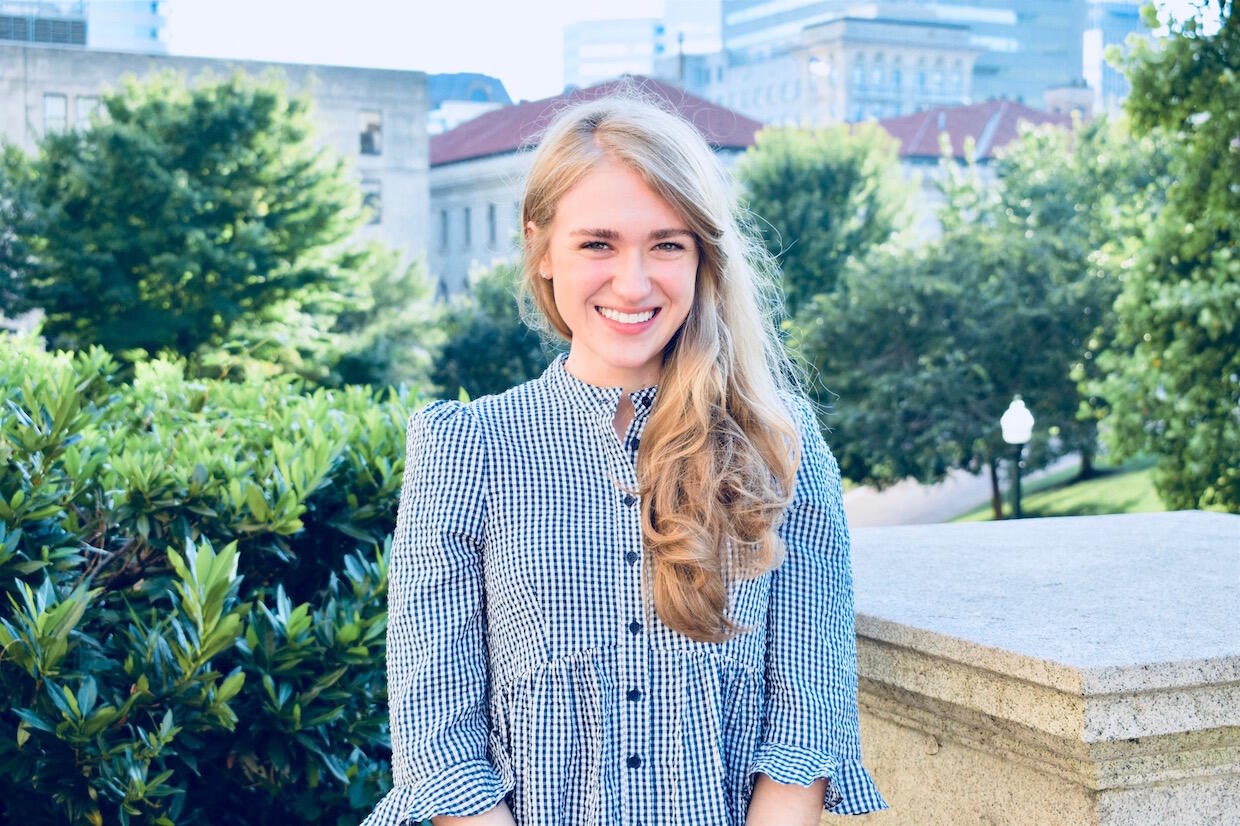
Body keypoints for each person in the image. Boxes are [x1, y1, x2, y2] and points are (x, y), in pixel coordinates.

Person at [361, 84, 889, 826]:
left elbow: (806, 731)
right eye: (598, 243)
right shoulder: (465, 449)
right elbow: (439, 743)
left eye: (667, 244)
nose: (633, 282)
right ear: (541, 247)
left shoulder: (781, 442)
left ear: (703, 258)